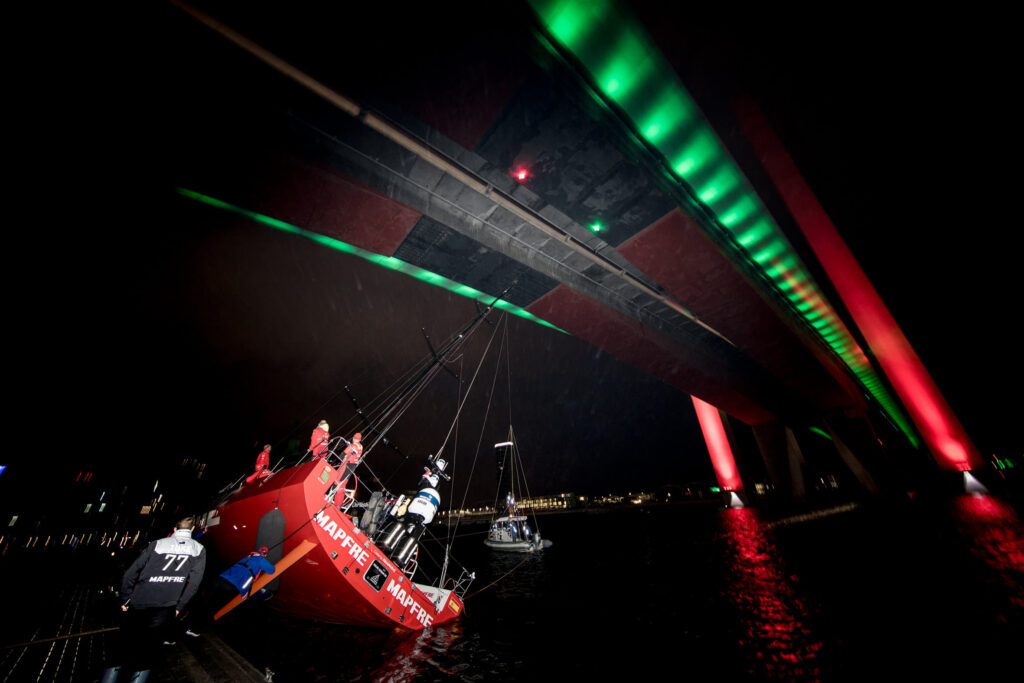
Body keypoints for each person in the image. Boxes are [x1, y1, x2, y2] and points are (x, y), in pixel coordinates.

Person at [101, 516, 206, 683]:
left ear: (174, 529)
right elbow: (194, 584)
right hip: (166, 607)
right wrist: (179, 607)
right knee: (148, 653)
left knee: (121, 649)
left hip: (138, 603)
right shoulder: (199, 549)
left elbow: (129, 574)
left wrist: (124, 600)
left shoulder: (157, 544)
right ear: (193, 530)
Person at [182, 547, 277, 636]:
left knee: (204, 603)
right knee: (214, 607)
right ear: (264, 555)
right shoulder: (261, 560)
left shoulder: (248, 557)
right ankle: (194, 629)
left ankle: (185, 623)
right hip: (231, 586)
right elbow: (272, 570)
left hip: (219, 580)